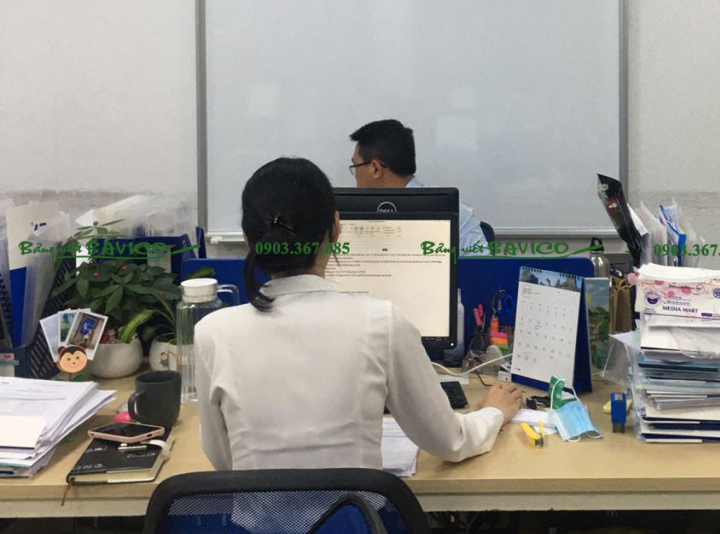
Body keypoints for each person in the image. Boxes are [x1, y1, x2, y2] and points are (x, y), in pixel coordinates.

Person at [195, 156, 521, 471]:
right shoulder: (382, 323)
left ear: (248, 240)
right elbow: (450, 442)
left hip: (256, 513)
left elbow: (224, 461)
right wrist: (493, 412)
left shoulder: (213, 334)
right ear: (336, 228)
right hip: (354, 512)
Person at [349, 119, 487, 253]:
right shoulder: (457, 210)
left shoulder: (454, 211)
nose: (355, 176)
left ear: (375, 169)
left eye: (355, 166)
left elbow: (480, 266)